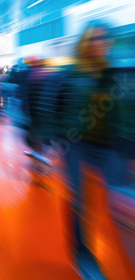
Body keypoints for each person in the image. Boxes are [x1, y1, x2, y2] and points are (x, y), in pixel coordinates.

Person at [52, 22, 134, 279]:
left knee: (121, 201)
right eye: (95, 39)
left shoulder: (116, 74)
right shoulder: (71, 73)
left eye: (105, 38)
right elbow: (55, 105)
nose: (101, 43)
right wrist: (52, 137)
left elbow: (127, 111)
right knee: (78, 201)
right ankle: (82, 255)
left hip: (110, 147)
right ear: (85, 44)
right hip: (76, 144)